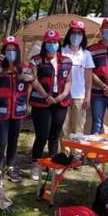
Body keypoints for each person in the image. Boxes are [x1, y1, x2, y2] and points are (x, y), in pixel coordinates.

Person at [0, 36, 31, 185]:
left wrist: (26, 76)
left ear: (17, 51)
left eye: (13, 49)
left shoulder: (23, 66)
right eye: (8, 49)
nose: (11, 52)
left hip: (17, 111)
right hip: (0, 111)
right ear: (3, 51)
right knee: (2, 141)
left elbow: (31, 78)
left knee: (14, 140)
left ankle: (10, 167)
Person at [29, 29, 72, 180]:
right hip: (41, 102)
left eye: (55, 43)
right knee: (42, 135)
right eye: (49, 43)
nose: (52, 45)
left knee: (54, 136)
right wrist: (46, 96)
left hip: (60, 102)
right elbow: (33, 80)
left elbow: (68, 81)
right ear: (44, 44)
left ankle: (52, 165)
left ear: (58, 43)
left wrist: (62, 95)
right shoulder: (36, 60)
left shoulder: (66, 60)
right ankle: (36, 164)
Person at [61, 20, 94, 148]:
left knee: (78, 127)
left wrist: (88, 96)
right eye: (73, 33)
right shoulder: (62, 52)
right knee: (64, 127)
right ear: (69, 34)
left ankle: (77, 154)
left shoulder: (86, 54)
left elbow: (88, 78)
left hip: (79, 96)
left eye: (79, 33)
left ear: (83, 36)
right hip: (63, 95)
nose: (76, 36)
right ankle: (65, 154)